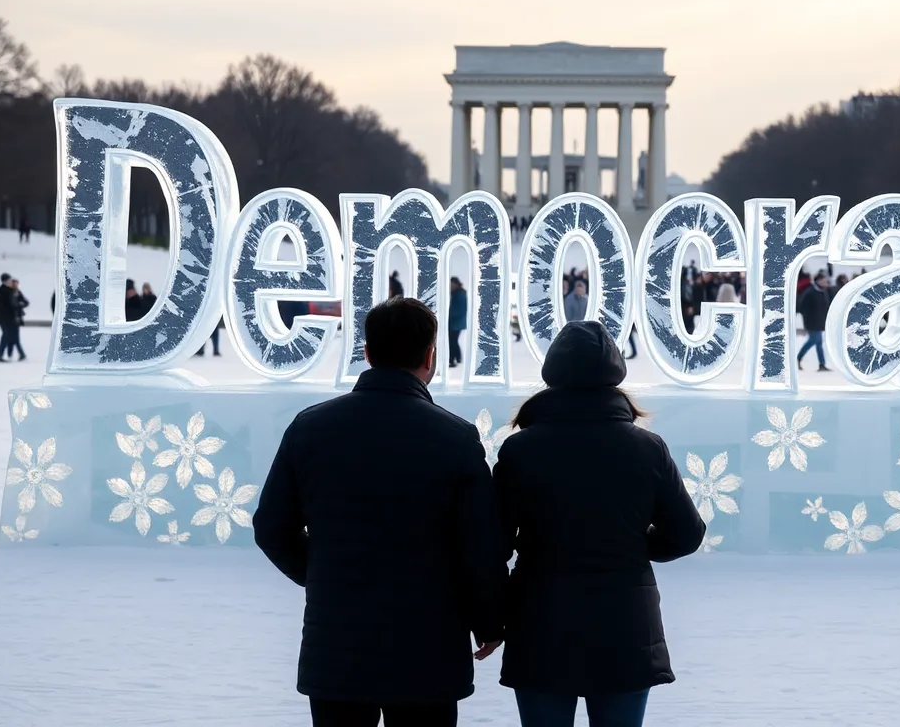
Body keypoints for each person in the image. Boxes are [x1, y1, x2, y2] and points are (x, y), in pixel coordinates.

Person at [255, 298, 507, 727]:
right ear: (431, 356)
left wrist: (321, 572)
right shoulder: (456, 438)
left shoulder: (310, 428)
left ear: (368, 353)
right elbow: (481, 546)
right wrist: (489, 619)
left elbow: (271, 528)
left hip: (337, 644)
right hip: (429, 646)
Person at [494, 321, 705, 727]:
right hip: (625, 624)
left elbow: (492, 543)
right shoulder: (646, 447)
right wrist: (635, 545)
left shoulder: (521, 449)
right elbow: (687, 534)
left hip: (541, 621)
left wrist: (489, 619)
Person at [797, 273, 830, 371]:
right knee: (814, 341)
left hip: (819, 322)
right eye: (824, 281)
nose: (826, 283)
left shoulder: (822, 292)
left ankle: (821, 364)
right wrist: (809, 317)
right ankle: (798, 358)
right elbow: (802, 306)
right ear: (818, 281)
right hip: (811, 322)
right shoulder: (810, 292)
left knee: (817, 342)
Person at [0, 273, 18, 362]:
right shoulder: (4, 290)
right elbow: (8, 304)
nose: (10, 282)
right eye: (9, 280)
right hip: (5, 317)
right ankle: (0, 355)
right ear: (5, 281)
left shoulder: (7, 290)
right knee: (5, 335)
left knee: (6, 336)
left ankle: (2, 354)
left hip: (7, 317)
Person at [448, 276, 467, 368]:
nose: (450, 286)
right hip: (455, 322)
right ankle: (457, 358)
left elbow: (460, 309)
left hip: (456, 322)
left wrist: (449, 314)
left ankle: (453, 360)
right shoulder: (457, 293)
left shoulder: (459, 294)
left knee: (452, 341)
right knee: (453, 340)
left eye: (451, 284)